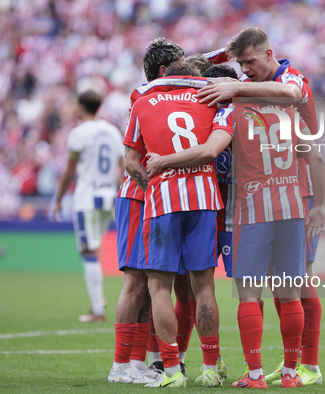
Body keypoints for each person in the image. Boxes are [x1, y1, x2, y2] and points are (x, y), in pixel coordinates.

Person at [196, 27, 324, 385]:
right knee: (290, 285)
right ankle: (291, 369)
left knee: (295, 284)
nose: (244, 70)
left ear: (270, 55)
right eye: (239, 65)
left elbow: (292, 93)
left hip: (291, 195)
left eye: (249, 62)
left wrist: (236, 86)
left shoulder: (287, 80)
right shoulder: (253, 92)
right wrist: (213, 59)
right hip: (291, 196)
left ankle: (306, 366)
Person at [127, 63, 232, 388]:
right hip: (204, 198)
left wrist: (152, 186)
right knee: (203, 288)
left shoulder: (143, 101)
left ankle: (171, 371)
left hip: (163, 201)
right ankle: (211, 368)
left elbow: (131, 162)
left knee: (160, 289)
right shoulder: (210, 99)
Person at [107, 37, 185, 384]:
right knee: (136, 283)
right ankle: (121, 366)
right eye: (181, 66)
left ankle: (137, 362)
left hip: (153, 198)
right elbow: (131, 163)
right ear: (165, 71)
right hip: (140, 197)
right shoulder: (146, 95)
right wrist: (157, 192)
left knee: (152, 283)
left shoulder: (159, 97)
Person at [53, 89, 125, 323]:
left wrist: (58, 199)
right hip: (109, 196)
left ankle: (97, 309)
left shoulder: (78, 133)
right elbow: (122, 166)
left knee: (88, 252)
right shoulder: (112, 131)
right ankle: (100, 306)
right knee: (97, 249)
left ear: (81, 107)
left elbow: (69, 171)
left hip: (87, 197)